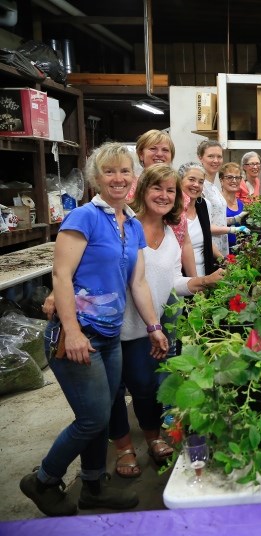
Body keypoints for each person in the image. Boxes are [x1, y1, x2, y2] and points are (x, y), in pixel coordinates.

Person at [19, 142, 168, 517]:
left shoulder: (131, 224)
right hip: (77, 335)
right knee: (93, 418)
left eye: (124, 171)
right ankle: (44, 479)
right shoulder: (83, 217)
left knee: (103, 413)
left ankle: (93, 484)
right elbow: (61, 276)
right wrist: (71, 330)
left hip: (110, 336)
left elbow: (138, 284)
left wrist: (153, 326)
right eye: (109, 172)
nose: (118, 179)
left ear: (133, 177)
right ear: (95, 179)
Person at [110, 164, 224, 479]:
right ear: (143, 190)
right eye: (157, 188)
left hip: (147, 328)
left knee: (146, 388)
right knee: (114, 393)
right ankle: (123, 448)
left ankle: (151, 437)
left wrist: (203, 281)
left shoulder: (171, 234)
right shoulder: (124, 227)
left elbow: (172, 282)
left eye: (170, 190)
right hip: (116, 327)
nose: (163, 195)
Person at [196, 141, 249, 257]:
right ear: (200, 158)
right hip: (210, 250)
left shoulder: (213, 187)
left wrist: (234, 219)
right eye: (211, 156)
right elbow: (202, 225)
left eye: (219, 156)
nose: (216, 160)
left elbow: (216, 218)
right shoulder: (200, 187)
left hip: (222, 248)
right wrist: (233, 230)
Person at [179, 162, 222, 277]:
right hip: (182, 276)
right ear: (180, 181)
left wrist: (225, 260)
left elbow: (207, 239)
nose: (196, 185)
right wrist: (195, 282)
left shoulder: (204, 205)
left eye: (200, 182)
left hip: (206, 272)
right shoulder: (173, 209)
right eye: (191, 180)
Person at [125, 129, 175, 203]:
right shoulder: (127, 187)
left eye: (165, 150)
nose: (160, 154)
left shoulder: (178, 188)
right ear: (141, 154)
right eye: (153, 149)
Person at [220, 162, 246, 249]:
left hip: (239, 252)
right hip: (221, 252)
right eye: (229, 177)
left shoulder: (241, 204)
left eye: (237, 177)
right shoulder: (217, 202)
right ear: (221, 180)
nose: (234, 181)